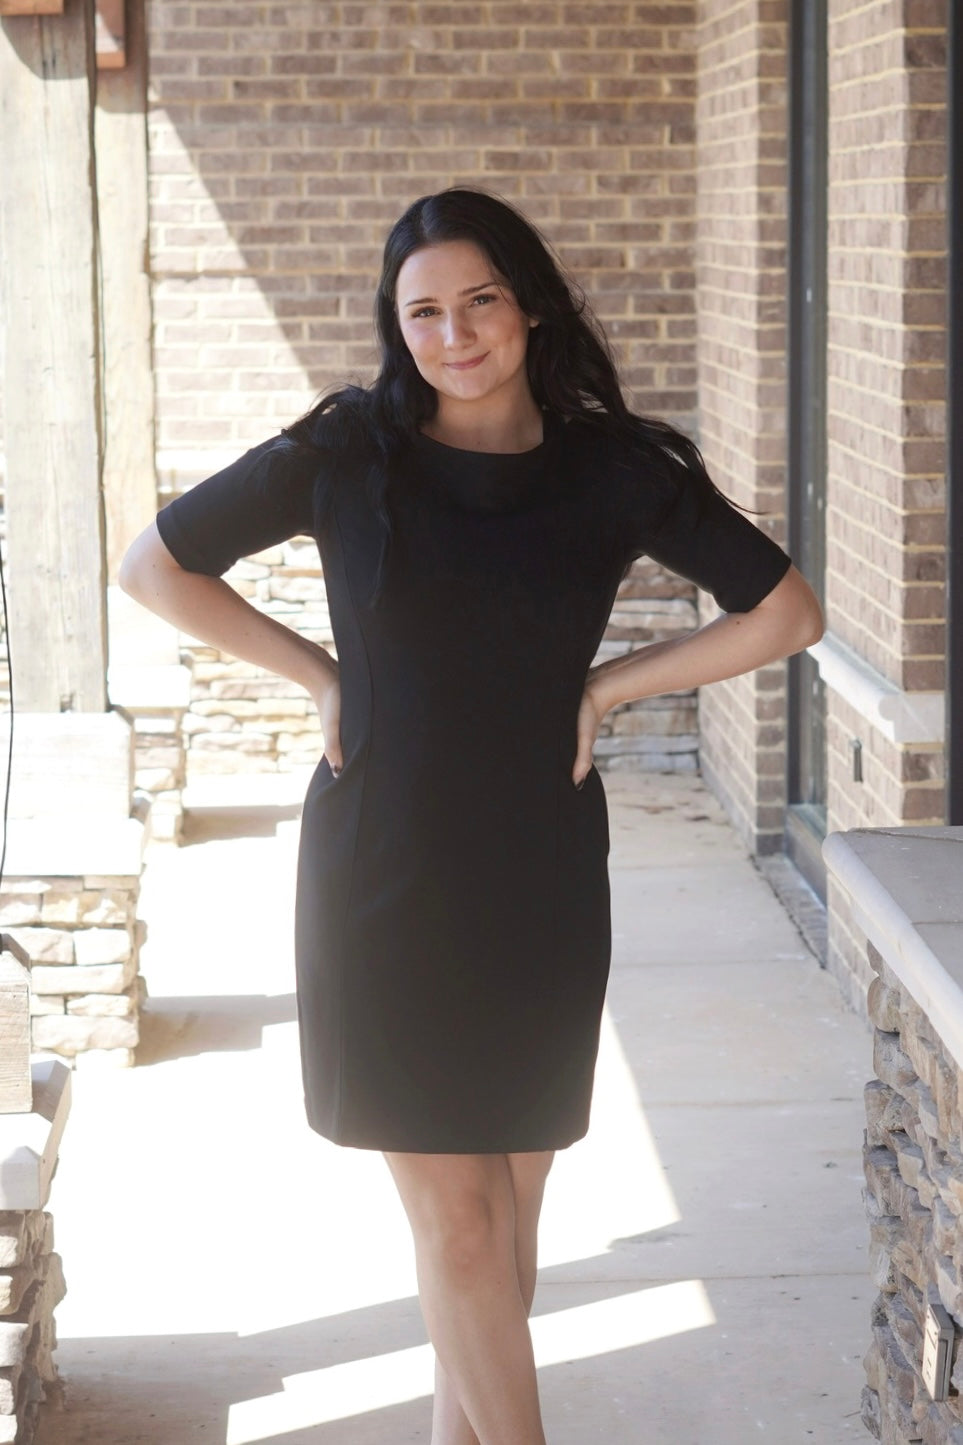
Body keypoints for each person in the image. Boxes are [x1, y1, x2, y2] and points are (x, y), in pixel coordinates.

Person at [120, 187, 823, 1445]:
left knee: (509, 1219)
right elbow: (156, 565)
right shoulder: (351, 453)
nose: (455, 334)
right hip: (382, 870)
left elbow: (786, 610)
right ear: (398, 328)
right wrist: (320, 673)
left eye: (480, 300)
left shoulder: (613, 471)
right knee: (457, 1224)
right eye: (424, 312)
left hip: (539, 868)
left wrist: (607, 686)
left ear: (530, 304)